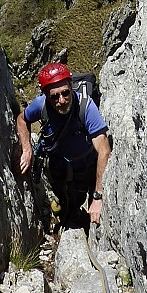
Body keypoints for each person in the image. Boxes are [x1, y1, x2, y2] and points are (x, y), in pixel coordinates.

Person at [17, 62, 111, 227]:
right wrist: (27, 149)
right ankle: (63, 210)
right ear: (46, 94)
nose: (61, 100)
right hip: (57, 167)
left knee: (77, 198)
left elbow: (103, 150)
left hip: (84, 169)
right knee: (63, 195)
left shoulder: (86, 107)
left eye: (65, 93)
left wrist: (97, 196)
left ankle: (71, 217)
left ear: (71, 87)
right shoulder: (41, 105)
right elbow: (22, 119)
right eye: (54, 96)